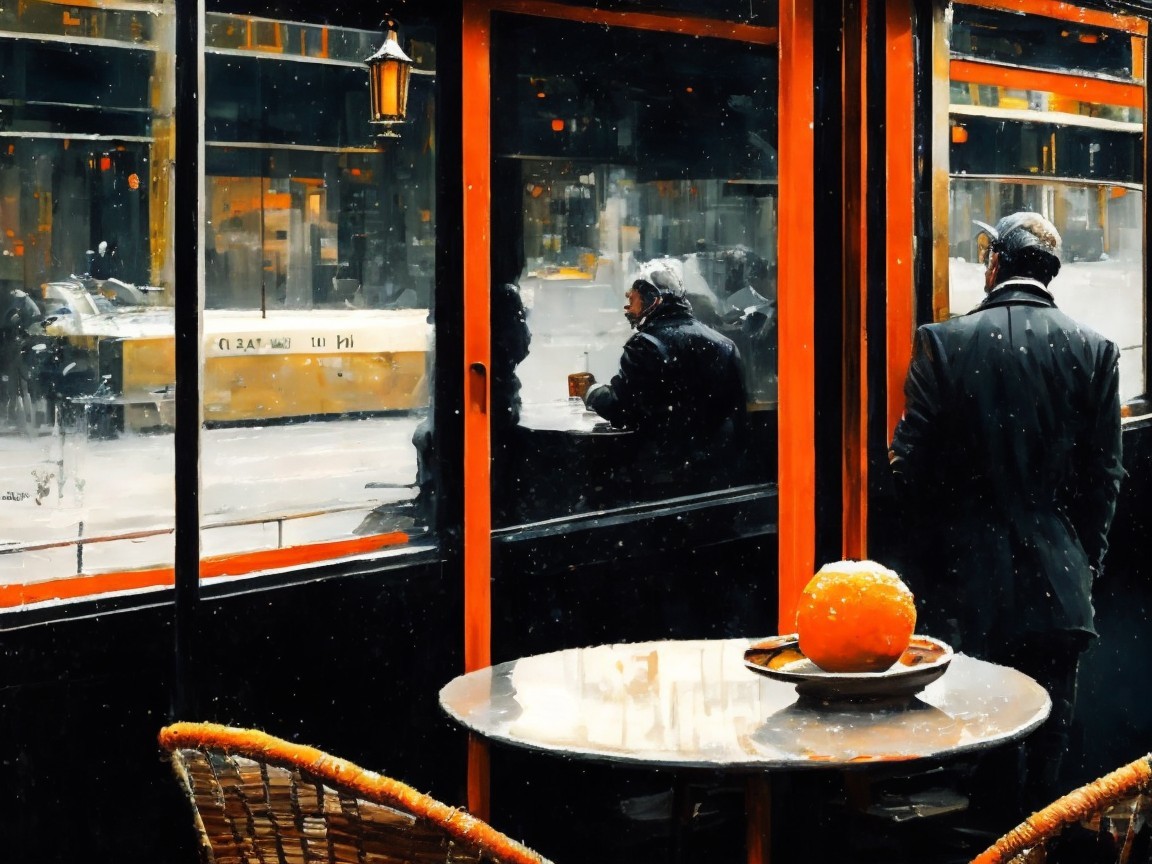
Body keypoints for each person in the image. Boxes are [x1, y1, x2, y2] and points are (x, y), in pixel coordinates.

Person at [888, 211, 1125, 815]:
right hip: (1058, 587)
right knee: (1045, 765)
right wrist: (1082, 563)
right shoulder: (1095, 350)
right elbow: (1102, 481)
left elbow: (910, 470)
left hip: (967, 588)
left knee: (980, 750)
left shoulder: (942, 343)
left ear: (994, 264)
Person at [584, 266, 746, 491]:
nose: (627, 307)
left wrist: (593, 393)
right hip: (717, 468)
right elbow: (736, 412)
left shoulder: (644, 346)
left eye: (633, 299)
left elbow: (623, 409)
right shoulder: (724, 345)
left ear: (653, 300)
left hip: (664, 470)